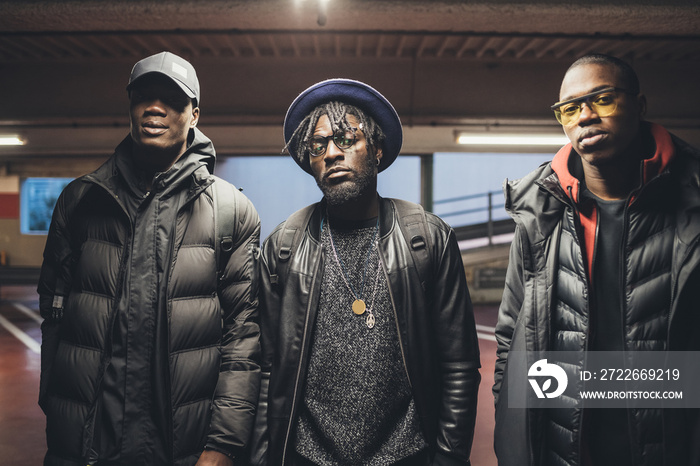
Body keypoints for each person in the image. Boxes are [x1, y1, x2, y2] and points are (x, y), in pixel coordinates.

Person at [37, 51, 261, 466]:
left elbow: (243, 340)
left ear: (194, 114)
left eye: (172, 100)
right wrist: (56, 405)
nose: (155, 108)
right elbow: (54, 314)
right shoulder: (80, 201)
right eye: (144, 96)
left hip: (184, 448)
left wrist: (224, 445)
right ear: (130, 106)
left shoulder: (231, 211)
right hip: (88, 444)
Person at [249, 78, 481, 466]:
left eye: (345, 139)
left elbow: (458, 366)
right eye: (318, 145)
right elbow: (265, 372)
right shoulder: (283, 247)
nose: (332, 154)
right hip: (307, 457)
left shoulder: (426, 237)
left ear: (375, 148)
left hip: (408, 456)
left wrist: (449, 459)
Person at [493, 53, 700, 466]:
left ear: (639, 107)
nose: (585, 116)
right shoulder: (539, 214)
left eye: (602, 99)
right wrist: (513, 425)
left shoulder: (692, 200)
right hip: (563, 448)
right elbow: (510, 339)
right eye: (569, 108)